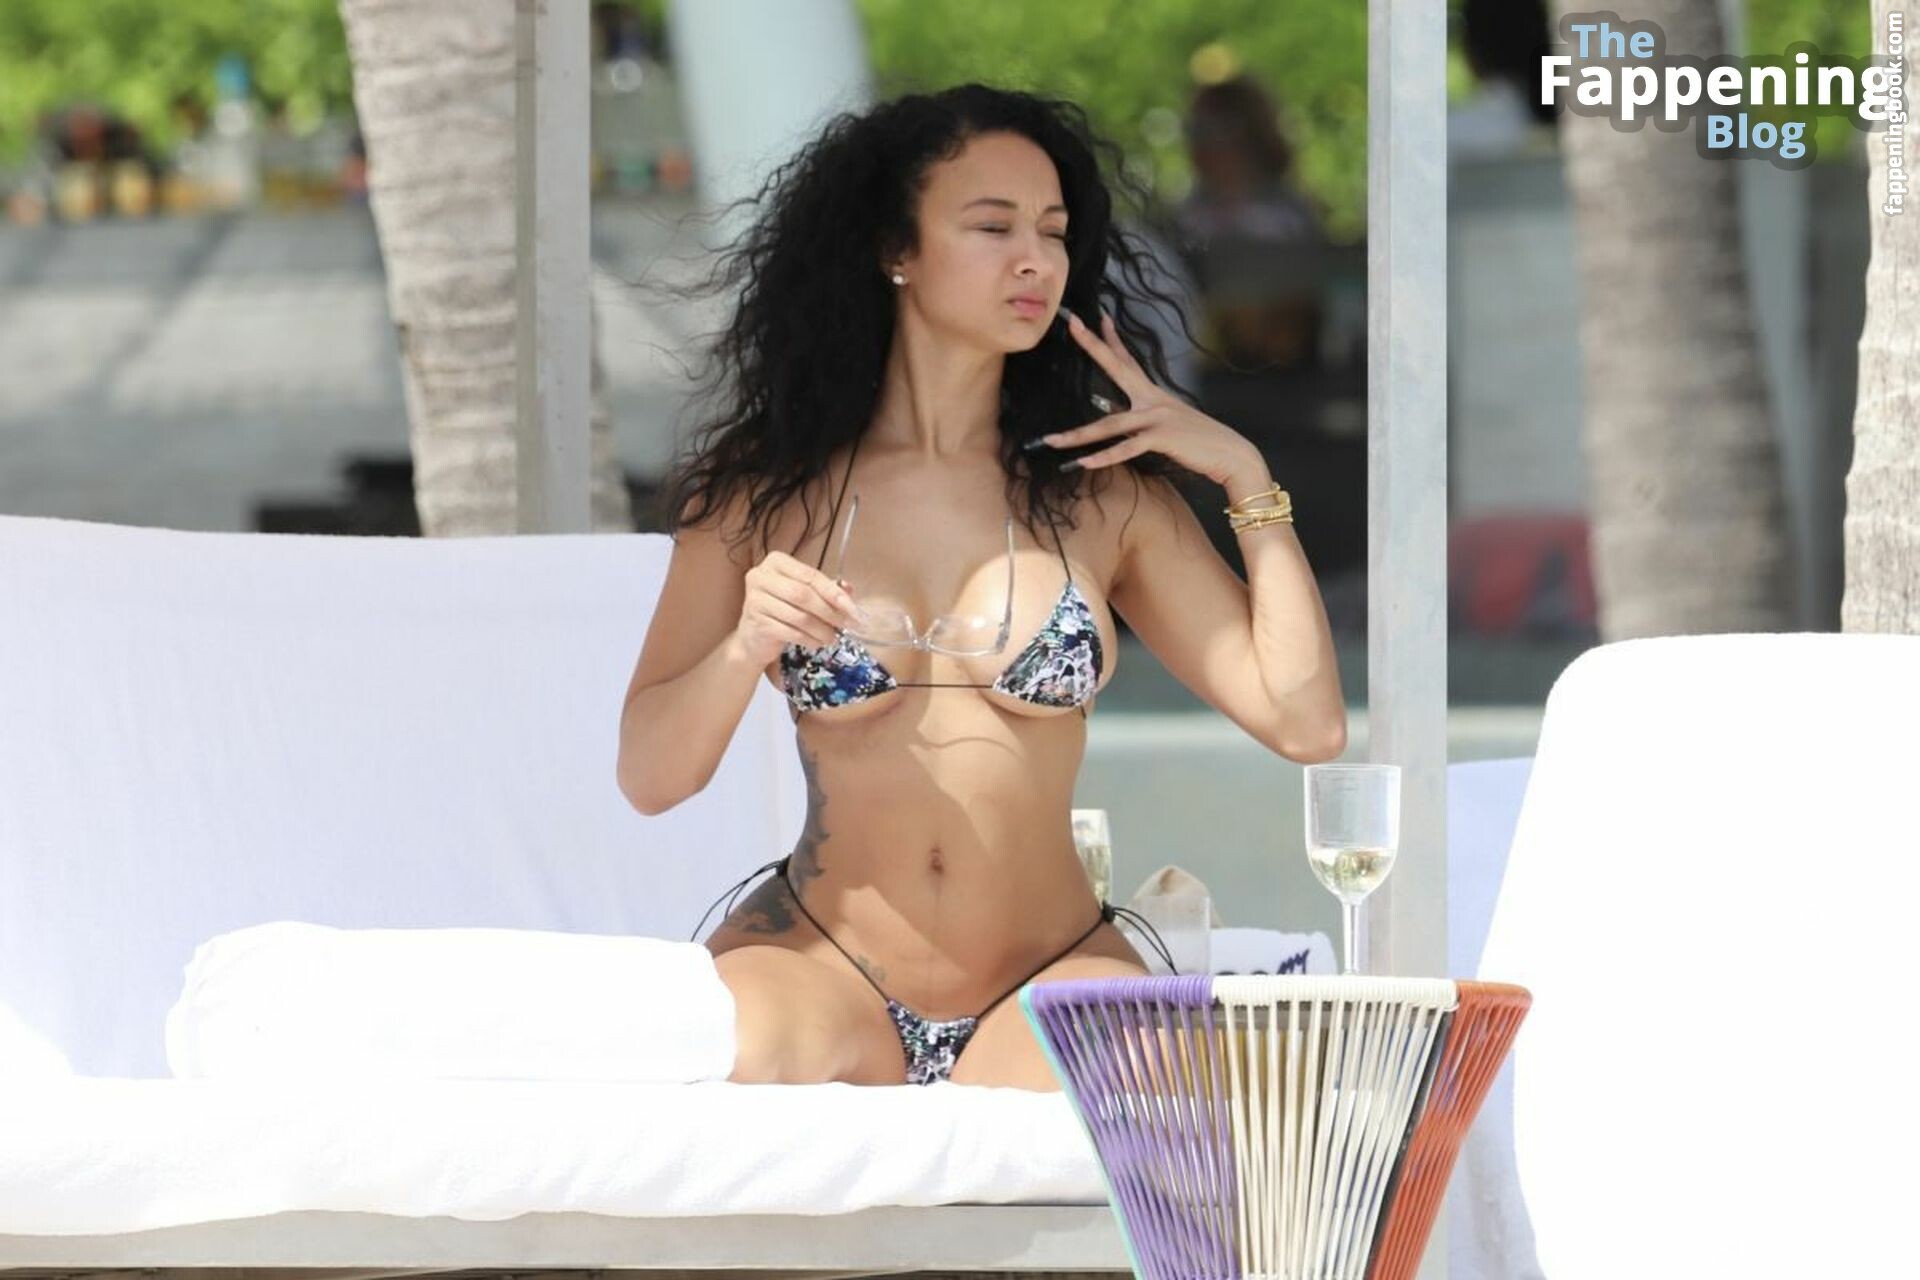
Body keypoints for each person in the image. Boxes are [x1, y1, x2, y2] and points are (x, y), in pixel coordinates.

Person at [616, 84, 1346, 1091]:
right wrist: (745, 647)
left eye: (1053, 232)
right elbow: (650, 776)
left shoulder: (1105, 497)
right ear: (896, 249)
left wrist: (1248, 481)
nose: (1035, 259)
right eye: (994, 227)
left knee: (1115, 1083)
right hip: (821, 964)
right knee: (758, 1062)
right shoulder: (760, 495)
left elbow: (1307, 723)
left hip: (1048, 972)